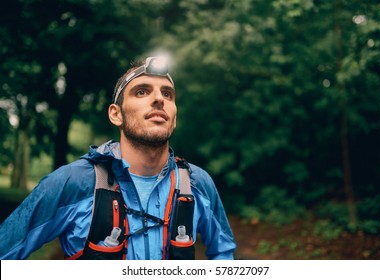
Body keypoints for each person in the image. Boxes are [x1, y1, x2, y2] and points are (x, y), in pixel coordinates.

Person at [0, 56, 236, 260]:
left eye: (167, 94)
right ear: (116, 114)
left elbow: (224, 256)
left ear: (174, 117)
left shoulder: (197, 183)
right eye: (142, 91)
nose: (159, 99)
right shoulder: (71, 182)